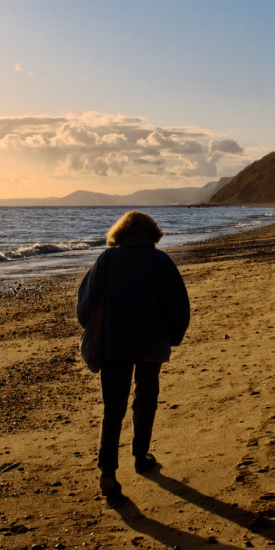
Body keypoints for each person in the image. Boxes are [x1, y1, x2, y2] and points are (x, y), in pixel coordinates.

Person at [76, 211, 190, 504]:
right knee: (146, 397)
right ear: (152, 232)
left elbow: (85, 302)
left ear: (121, 232)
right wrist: (173, 336)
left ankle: (108, 474)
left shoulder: (108, 259)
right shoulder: (162, 262)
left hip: (115, 344)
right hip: (152, 343)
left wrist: (91, 326)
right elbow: (179, 306)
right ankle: (141, 455)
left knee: (113, 408)